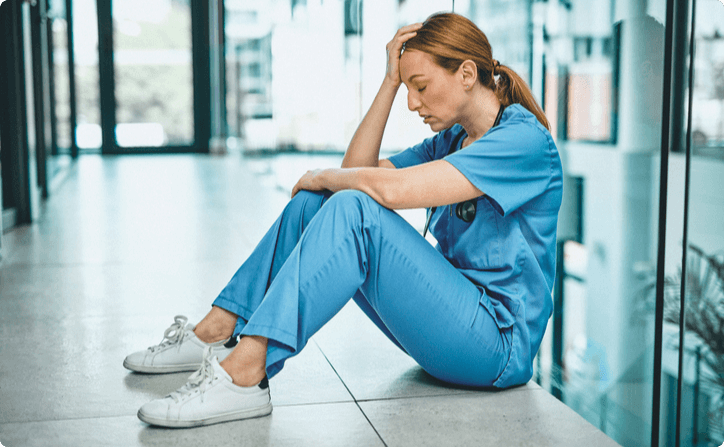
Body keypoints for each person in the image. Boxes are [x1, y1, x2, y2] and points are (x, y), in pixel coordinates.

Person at [124, 12, 563, 428]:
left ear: (467, 74)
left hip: (496, 347)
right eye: (408, 88)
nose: (413, 103)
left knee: (349, 206)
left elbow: (384, 192)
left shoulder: (522, 141)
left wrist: (322, 174)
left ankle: (245, 375)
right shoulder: (451, 140)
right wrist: (389, 81)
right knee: (315, 202)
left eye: (421, 87)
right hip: (453, 326)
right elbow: (356, 173)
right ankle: (215, 331)